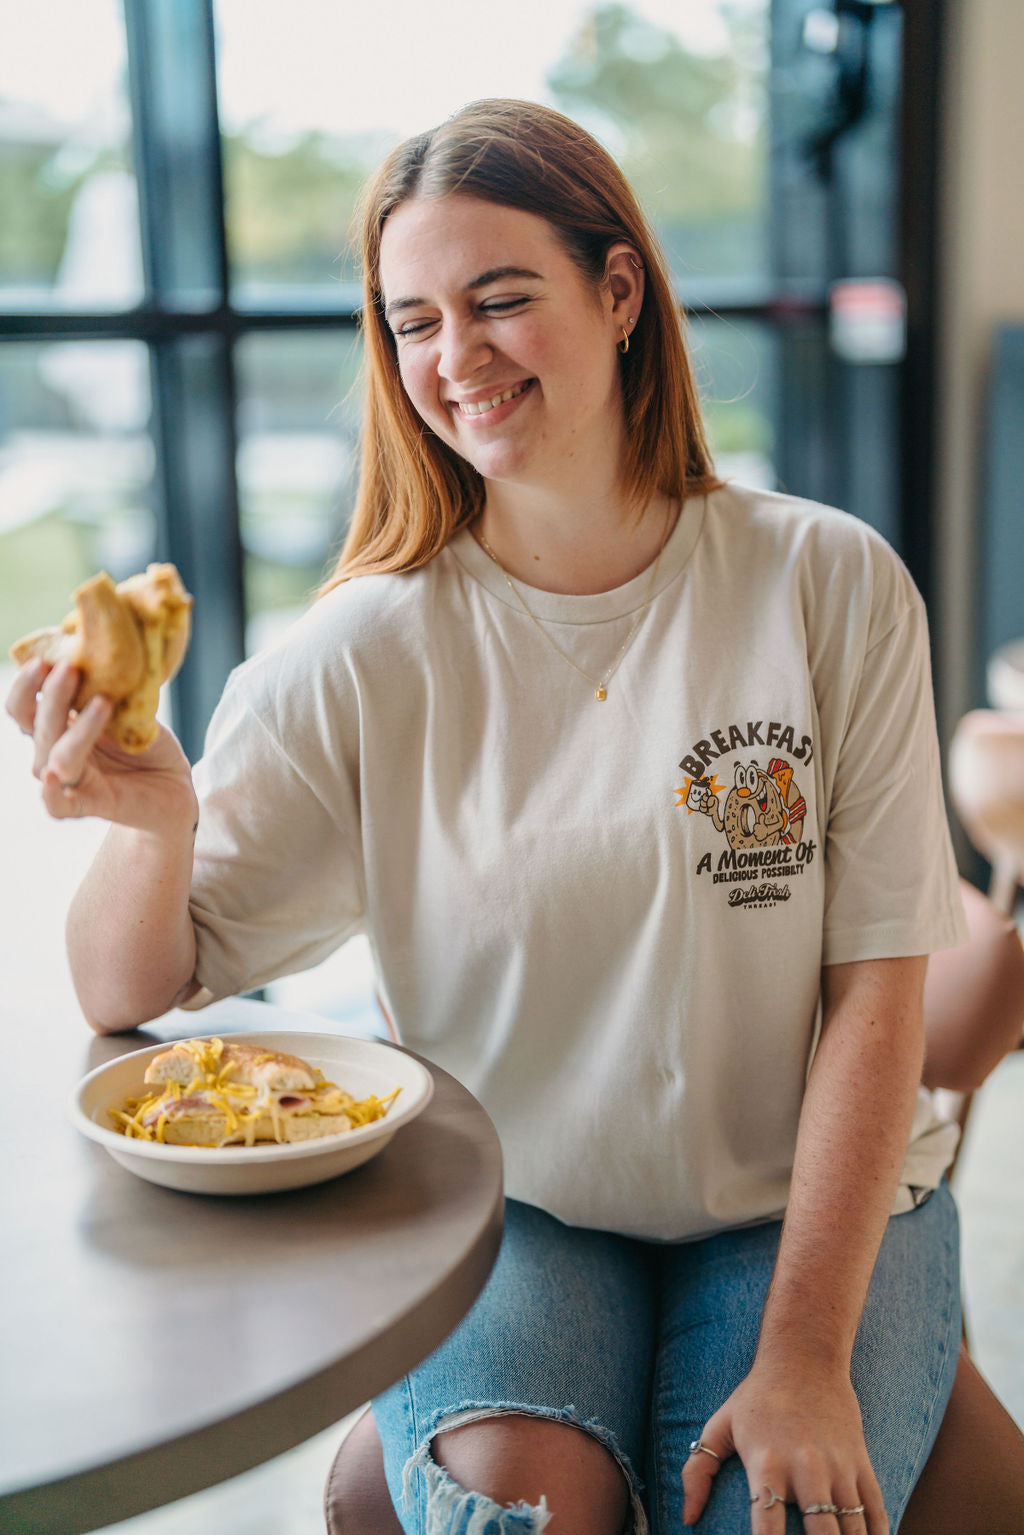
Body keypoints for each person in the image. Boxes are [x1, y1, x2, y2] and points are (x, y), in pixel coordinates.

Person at [5, 99, 976, 1534]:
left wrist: (803, 1360)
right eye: (412, 322)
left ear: (621, 289)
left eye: (499, 300)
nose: (455, 359)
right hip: (514, 1207)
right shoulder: (360, 653)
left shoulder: (827, 583)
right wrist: (151, 824)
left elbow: (879, 994)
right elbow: (130, 986)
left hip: (803, 1213)